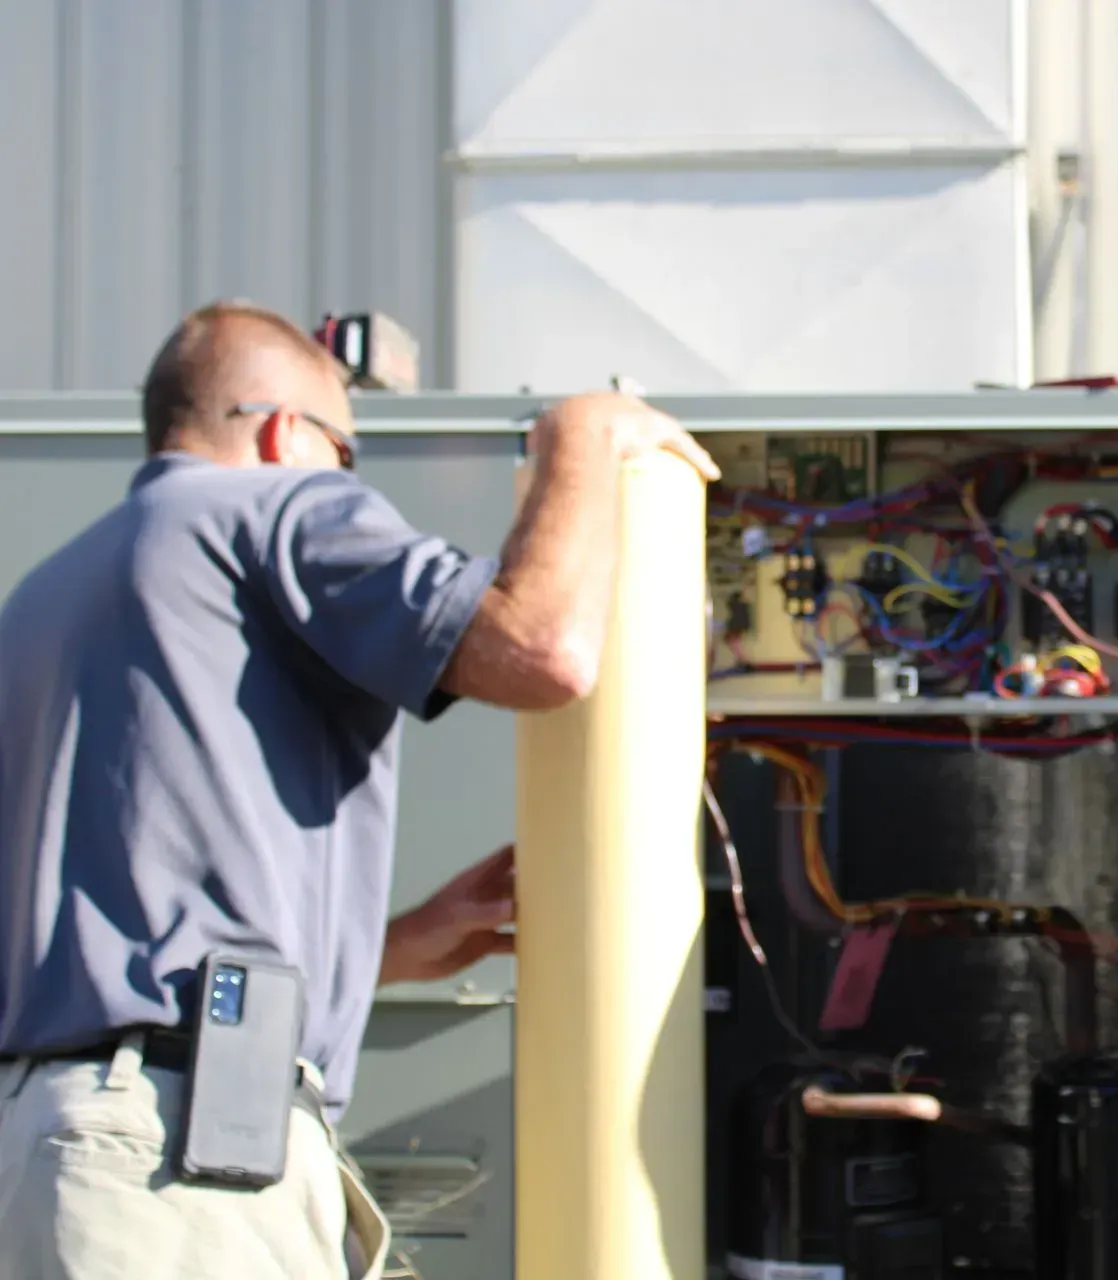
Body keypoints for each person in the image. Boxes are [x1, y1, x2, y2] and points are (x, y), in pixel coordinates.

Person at [0, 300, 718, 1279]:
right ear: (282, 431)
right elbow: (543, 647)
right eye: (346, 450)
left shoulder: (46, 596)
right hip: (177, 1160)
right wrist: (583, 434)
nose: (348, 482)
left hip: (62, 1150)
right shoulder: (276, 505)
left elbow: (112, 938)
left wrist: (384, 950)